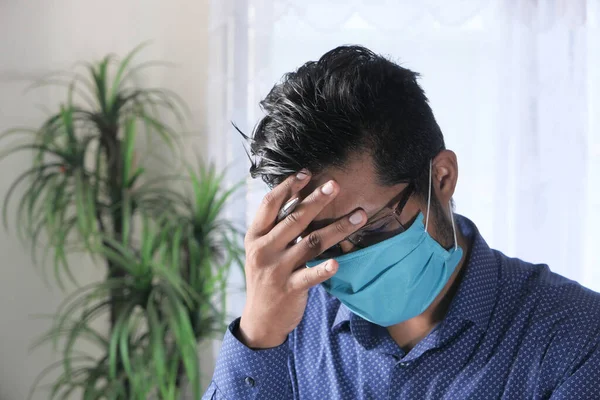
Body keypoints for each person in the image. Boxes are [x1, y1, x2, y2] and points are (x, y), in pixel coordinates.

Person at [202, 45, 600, 399]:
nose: (345, 263)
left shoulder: (577, 337)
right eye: (318, 239)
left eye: (368, 228)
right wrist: (257, 337)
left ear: (441, 178)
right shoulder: (287, 319)